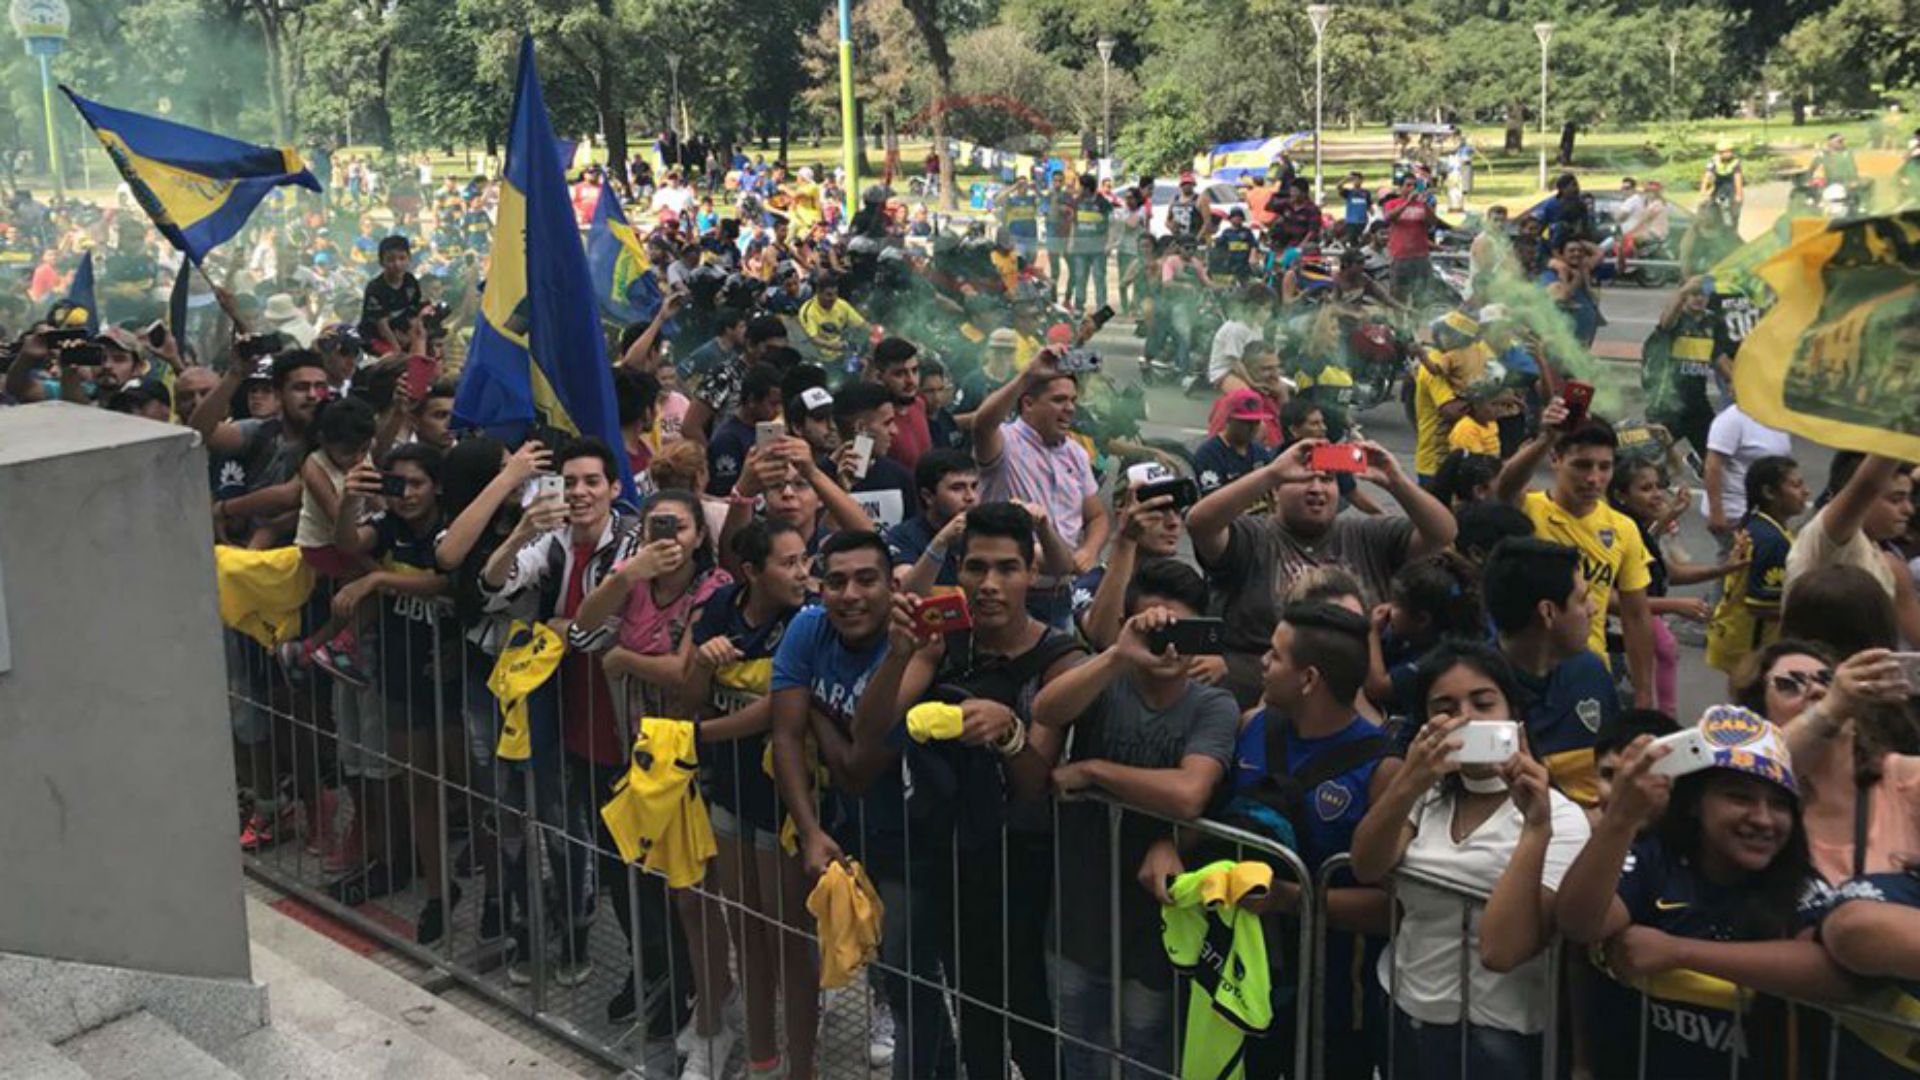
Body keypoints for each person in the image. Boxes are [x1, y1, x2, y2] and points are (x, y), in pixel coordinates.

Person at [1557, 709, 1850, 1080]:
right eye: (1739, 798)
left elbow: (1831, 974)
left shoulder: (1801, 883)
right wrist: (1621, 820)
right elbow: (1580, 923)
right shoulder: (1656, 860)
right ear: (1695, 804)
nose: (1762, 818)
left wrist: (1679, 952)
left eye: (1778, 804)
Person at [1032, 559, 1240, 1079]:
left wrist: (1094, 769)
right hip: (1078, 915)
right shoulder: (1107, 682)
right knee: (1079, 1051)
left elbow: (1190, 793)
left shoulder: (1213, 705)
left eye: (1183, 632)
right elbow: (1047, 710)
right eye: (1154, 629)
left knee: (1147, 1056)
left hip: (1155, 931)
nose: (1168, 647)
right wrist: (1117, 656)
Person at [1349, 643, 1591, 1080]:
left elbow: (1502, 951)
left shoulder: (1561, 818)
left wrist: (1536, 827)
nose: (1467, 719)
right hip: (1402, 1012)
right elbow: (1366, 866)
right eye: (1446, 708)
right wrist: (1409, 780)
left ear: (1512, 715)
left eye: (1483, 703)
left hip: (1497, 1039)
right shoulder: (1427, 796)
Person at [1191, 437, 1457, 708]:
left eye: (1327, 480)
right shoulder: (1252, 536)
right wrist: (1270, 473)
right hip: (1258, 696)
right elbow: (1200, 523)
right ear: (1275, 492)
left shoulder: (1369, 534)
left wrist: (1396, 482)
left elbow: (1442, 533)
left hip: (1353, 701)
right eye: (1303, 478)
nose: (1317, 489)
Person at [1494, 405, 1659, 710]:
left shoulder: (1624, 529)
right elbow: (1503, 489)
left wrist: (1644, 693)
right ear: (1556, 460)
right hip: (1521, 668)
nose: (1594, 478)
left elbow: (1636, 615)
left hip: (1588, 669)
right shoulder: (1528, 508)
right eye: (1582, 465)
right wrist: (1545, 439)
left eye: (1604, 467)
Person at [969, 352, 1108, 626]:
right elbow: (981, 424)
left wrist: (1089, 550)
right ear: (1028, 404)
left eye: (1072, 400)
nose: (1069, 408)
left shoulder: (1076, 454)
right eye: (1058, 400)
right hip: (1012, 596)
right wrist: (1027, 376)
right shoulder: (1005, 443)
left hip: (1060, 596)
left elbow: (1097, 517)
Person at [1482, 538, 1620, 807]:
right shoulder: (1473, 691)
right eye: (1581, 599)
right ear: (1548, 612)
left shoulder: (1591, 671)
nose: (1593, 609)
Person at [1607, 458, 1744, 715]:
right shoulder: (1616, 533)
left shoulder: (1641, 531)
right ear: (1621, 496)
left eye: (1658, 487)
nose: (1658, 495)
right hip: (1613, 637)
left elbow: (1667, 573)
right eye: (1646, 489)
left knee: (1665, 651)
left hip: (1636, 628)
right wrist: (1675, 605)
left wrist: (1725, 569)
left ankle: (1663, 721)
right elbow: (1611, 598)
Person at [1785, 453, 1920, 647]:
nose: (1909, 509)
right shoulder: (1829, 540)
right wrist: (1898, 434)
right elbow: (1867, 485)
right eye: (1896, 499)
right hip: (1820, 673)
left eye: (1909, 499)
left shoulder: (1884, 558)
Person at [1705, 455, 1806, 675]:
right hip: (1752, 650)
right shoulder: (1772, 541)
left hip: (1732, 637)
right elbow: (1760, 605)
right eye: (1796, 485)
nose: (1805, 492)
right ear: (1769, 493)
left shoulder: (1756, 523)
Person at [1642, 277, 1721, 458]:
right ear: (1683, 296)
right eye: (1694, 294)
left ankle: (1700, 464)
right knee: (1652, 459)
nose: (1699, 299)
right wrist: (1683, 291)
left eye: (1703, 294)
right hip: (1668, 404)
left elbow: (1719, 357)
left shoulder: (1711, 323)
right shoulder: (1676, 320)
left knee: (1714, 456)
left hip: (1697, 404)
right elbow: (1666, 322)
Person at [886, 448, 979, 590]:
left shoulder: (984, 533)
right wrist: (941, 542)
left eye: (974, 486)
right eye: (957, 488)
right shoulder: (903, 537)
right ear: (928, 496)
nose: (970, 496)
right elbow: (906, 592)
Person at [1703, 399, 1794, 545]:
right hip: (1736, 511)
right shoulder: (1732, 419)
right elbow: (1712, 466)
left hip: (1765, 509)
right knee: (1740, 560)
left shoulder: (1777, 418)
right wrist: (1716, 512)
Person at [702, 362, 784, 498]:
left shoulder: (767, 431)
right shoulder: (727, 439)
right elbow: (724, 491)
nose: (778, 410)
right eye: (773, 404)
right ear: (752, 400)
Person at [1194, 388, 1276, 496]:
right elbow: (1212, 501)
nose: (1252, 428)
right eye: (1246, 423)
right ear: (1228, 419)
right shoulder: (1208, 454)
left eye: (1256, 422)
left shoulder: (1259, 451)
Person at [869, 337, 930, 469]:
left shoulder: (919, 405)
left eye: (914, 370)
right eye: (899, 374)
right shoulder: (872, 419)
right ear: (880, 377)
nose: (911, 380)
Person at [1382, 174, 1439, 305]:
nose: (1412, 188)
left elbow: (1433, 222)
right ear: (1400, 188)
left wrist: (1425, 204)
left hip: (1421, 256)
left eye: (1414, 185)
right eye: (1408, 185)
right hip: (1400, 256)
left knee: (1422, 297)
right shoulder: (1392, 203)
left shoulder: (1422, 205)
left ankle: (1418, 323)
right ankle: (1399, 324)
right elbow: (1389, 217)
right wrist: (1407, 202)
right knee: (1399, 296)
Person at [360, 235, 421, 353]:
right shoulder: (375, 288)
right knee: (396, 360)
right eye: (391, 259)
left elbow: (413, 315)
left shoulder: (411, 282)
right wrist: (397, 349)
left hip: (400, 333)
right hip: (375, 337)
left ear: (409, 259)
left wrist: (411, 338)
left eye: (402, 258)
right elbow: (382, 325)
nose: (397, 264)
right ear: (381, 262)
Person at [1066, 172, 1112, 312]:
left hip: (1098, 249)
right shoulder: (1077, 202)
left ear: (1087, 188)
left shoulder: (1103, 203)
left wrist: (1109, 244)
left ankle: (1101, 307)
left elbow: (1111, 225)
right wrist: (1070, 242)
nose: (1078, 189)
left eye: (1080, 186)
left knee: (1099, 277)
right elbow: (1074, 223)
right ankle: (1079, 306)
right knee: (1080, 277)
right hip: (1080, 248)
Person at [795, 273, 866, 358]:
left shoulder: (841, 304)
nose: (833, 298)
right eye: (829, 295)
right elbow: (814, 339)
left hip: (841, 352)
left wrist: (873, 331)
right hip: (817, 355)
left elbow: (862, 324)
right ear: (818, 292)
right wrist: (835, 346)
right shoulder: (807, 312)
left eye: (836, 293)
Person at [1701, 137, 1746, 227]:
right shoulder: (1713, 160)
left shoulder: (1735, 161)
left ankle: (1733, 226)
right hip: (1719, 183)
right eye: (1724, 152)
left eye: (1729, 151)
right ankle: (1715, 221)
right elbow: (1707, 175)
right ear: (1719, 153)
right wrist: (1703, 190)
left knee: (1734, 206)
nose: (1727, 154)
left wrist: (1739, 195)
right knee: (1712, 203)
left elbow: (1738, 178)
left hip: (1731, 183)